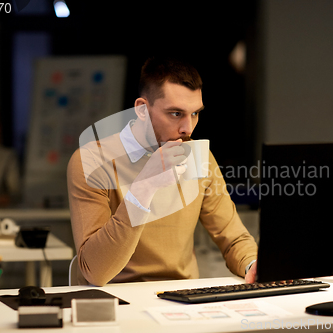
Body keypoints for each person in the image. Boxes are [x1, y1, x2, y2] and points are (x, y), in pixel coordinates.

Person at [67, 56, 258, 286]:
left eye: (195, 113)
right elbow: (95, 271)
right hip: (116, 300)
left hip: (180, 299)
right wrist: (145, 185)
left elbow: (233, 237)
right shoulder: (92, 160)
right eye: (176, 113)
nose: (187, 128)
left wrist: (252, 264)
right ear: (142, 110)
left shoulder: (199, 157)